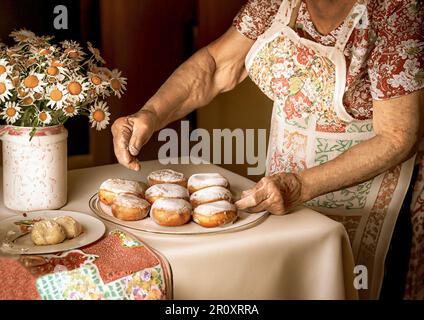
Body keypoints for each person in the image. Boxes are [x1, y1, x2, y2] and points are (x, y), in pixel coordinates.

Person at [112, 0, 424, 299]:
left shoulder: (395, 10)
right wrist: (151, 114)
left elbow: (397, 136)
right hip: (283, 195)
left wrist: (301, 186)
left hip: (374, 206)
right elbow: (217, 66)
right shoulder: (274, 2)